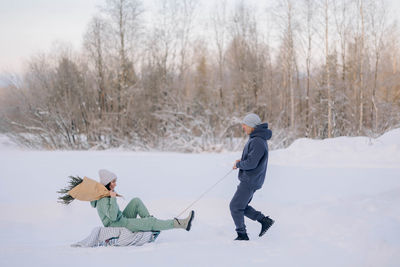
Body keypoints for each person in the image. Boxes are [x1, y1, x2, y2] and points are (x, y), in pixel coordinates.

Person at [90, 169, 194, 233]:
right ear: (108, 183)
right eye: (113, 182)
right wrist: (112, 198)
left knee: (136, 201)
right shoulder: (103, 199)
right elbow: (112, 217)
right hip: (116, 225)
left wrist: (112, 196)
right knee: (150, 222)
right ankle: (181, 224)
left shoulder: (107, 193)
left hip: (120, 219)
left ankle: (149, 223)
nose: (115, 184)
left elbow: (115, 215)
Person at [230, 113, 274, 241]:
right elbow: (251, 159)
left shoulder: (257, 141)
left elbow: (251, 163)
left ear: (252, 126)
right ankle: (264, 220)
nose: (243, 127)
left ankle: (242, 235)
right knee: (241, 206)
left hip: (250, 180)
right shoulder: (256, 138)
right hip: (251, 179)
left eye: (245, 124)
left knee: (235, 206)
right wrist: (242, 160)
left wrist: (239, 164)